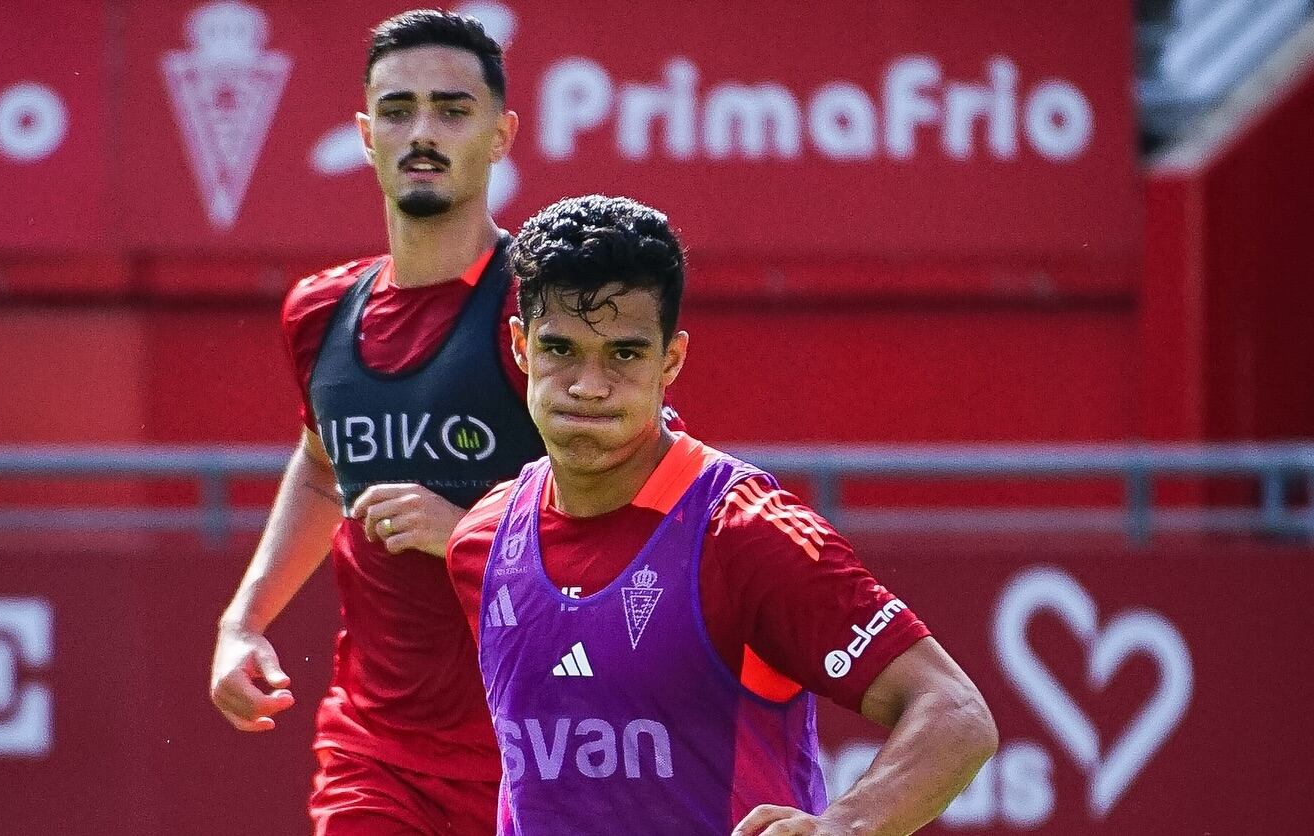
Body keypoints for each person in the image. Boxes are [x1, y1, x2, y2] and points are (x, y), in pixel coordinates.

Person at [447, 195, 999, 836]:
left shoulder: (746, 532)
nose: (588, 385)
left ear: (671, 361)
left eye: (623, 354)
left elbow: (955, 712)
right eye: (560, 349)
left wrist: (845, 826)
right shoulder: (480, 545)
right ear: (520, 347)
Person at [208, 11, 545, 835]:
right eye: (397, 111)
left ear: (501, 135)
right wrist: (243, 622)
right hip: (375, 754)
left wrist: (468, 534)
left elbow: (632, 526)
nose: (421, 132)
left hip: (546, 750)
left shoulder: (545, 312)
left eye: (451, 110)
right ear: (365, 133)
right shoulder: (320, 311)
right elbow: (325, 465)